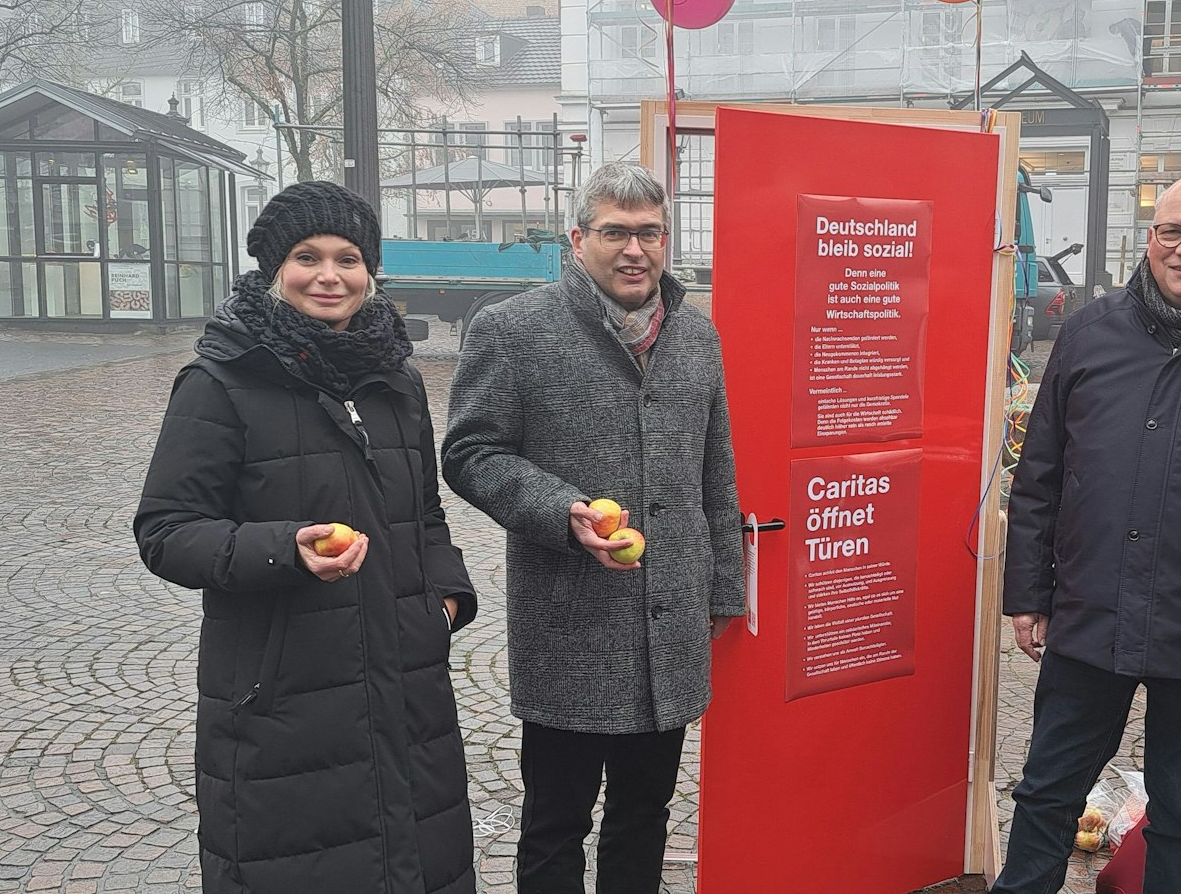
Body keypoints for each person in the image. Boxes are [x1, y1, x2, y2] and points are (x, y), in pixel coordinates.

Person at [134, 180, 479, 894]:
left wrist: (443, 602)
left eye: (349, 257)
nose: (330, 274)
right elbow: (166, 531)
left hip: (406, 688)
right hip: (281, 700)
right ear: (272, 268)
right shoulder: (219, 380)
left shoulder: (397, 380)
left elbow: (425, 511)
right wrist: (284, 547)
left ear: (371, 270)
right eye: (307, 256)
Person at [994, 174, 1181, 894]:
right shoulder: (1089, 330)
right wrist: (1028, 591)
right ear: (1150, 237)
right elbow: (1041, 470)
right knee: (1047, 790)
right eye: (1172, 231)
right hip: (1090, 605)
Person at [443, 162, 743, 894]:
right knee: (556, 819)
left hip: (670, 616)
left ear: (666, 241)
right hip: (568, 618)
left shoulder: (696, 336)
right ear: (578, 239)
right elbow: (470, 452)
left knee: (646, 810)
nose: (633, 248)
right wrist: (559, 508)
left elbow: (717, 469)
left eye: (648, 232)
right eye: (615, 231)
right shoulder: (512, 330)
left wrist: (724, 587)